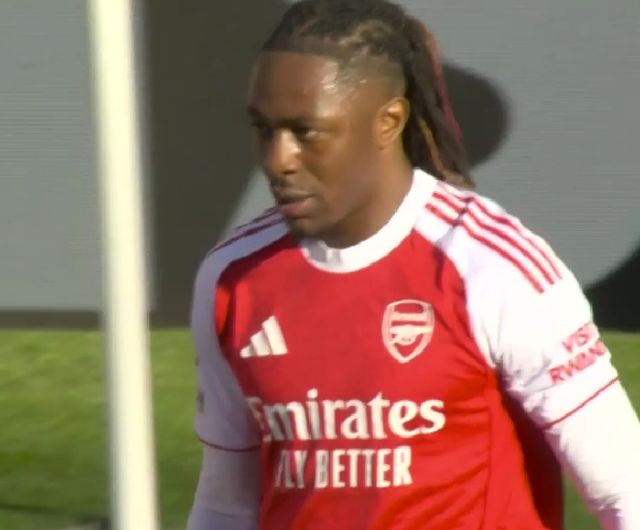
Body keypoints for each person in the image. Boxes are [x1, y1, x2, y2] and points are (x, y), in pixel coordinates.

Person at [186, 1, 640, 528]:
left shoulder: (494, 269)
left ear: (388, 121)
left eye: (305, 132)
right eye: (263, 130)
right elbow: (226, 505)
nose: (277, 159)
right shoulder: (232, 279)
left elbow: (625, 487)